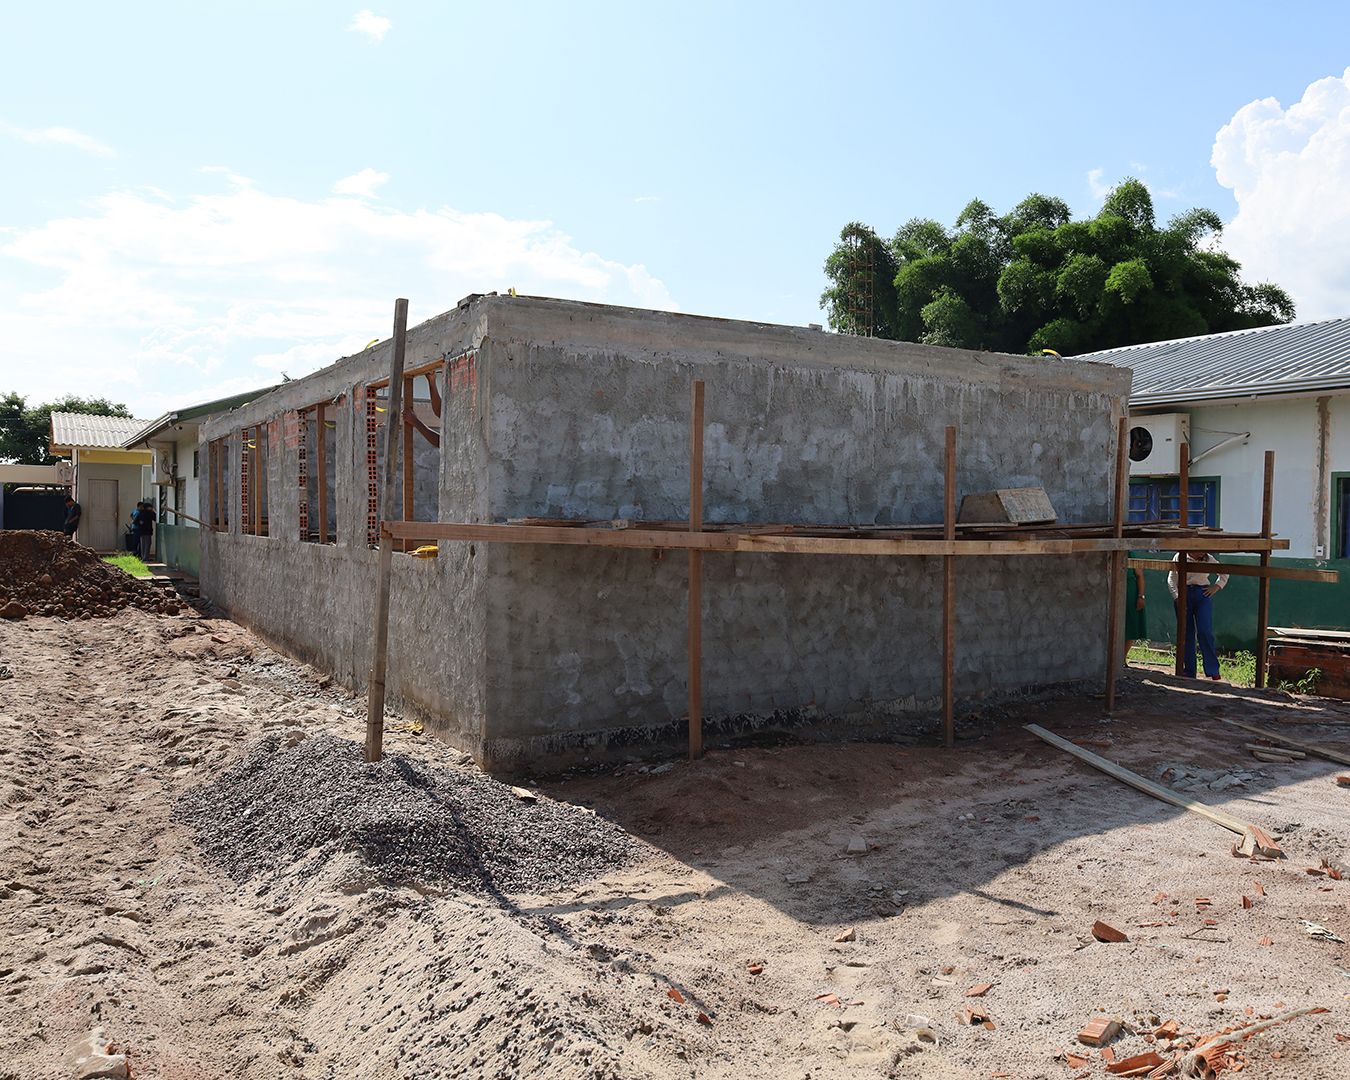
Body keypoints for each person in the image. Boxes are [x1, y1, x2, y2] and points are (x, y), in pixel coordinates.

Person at [1167, 552, 1228, 680]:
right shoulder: (1179, 556)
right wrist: (1178, 598)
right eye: (1199, 549)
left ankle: (1212, 670)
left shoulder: (1209, 558)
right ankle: (1189, 671)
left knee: (1205, 631)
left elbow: (1224, 572)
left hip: (1203, 594)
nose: (1202, 552)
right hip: (1184, 593)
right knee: (1186, 634)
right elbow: (1171, 579)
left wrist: (1216, 587)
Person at [1123, 566, 1147, 658]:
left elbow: (1140, 576)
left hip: (1130, 596)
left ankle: (1122, 658)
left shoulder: (1131, 558)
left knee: (1130, 627)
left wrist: (1141, 596)